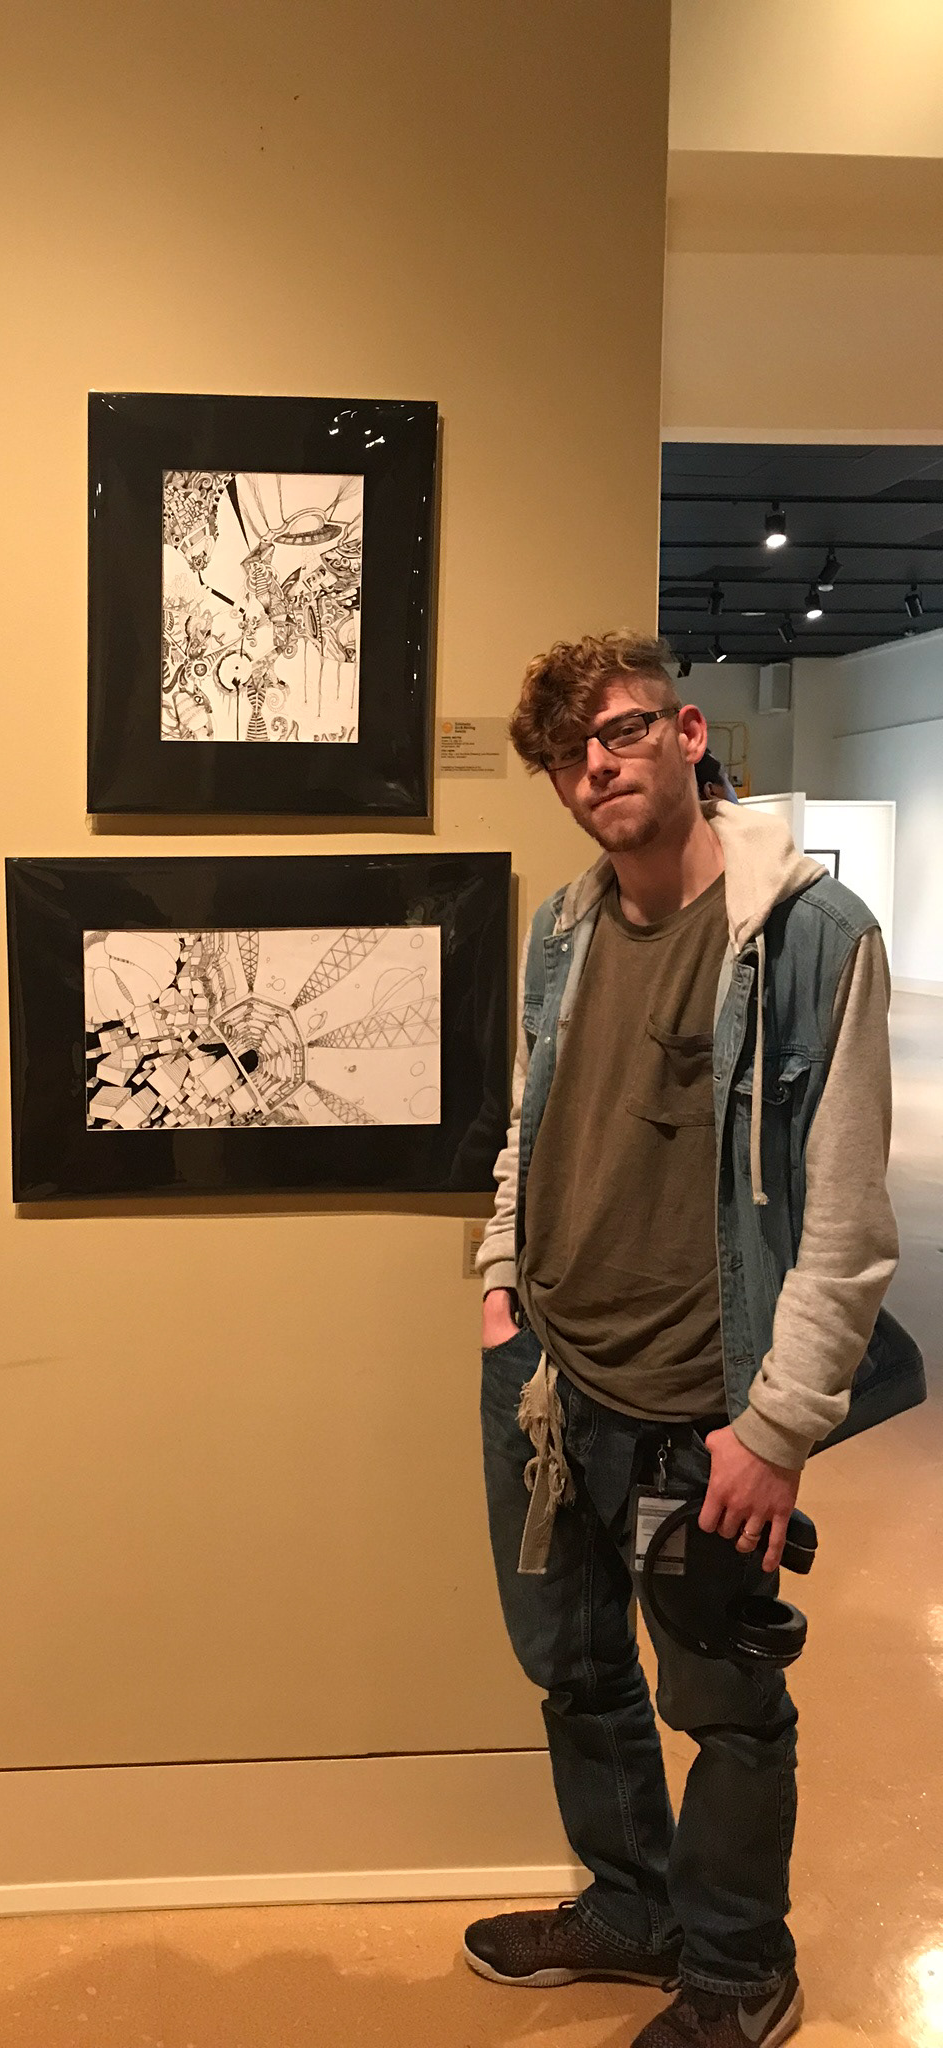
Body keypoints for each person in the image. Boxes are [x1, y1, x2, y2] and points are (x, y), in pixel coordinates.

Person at [466, 632, 914, 2048]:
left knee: (724, 1703)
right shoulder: (563, 928)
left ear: (688, 732)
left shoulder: (810, 939)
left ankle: (736, 1970)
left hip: (702, 1408)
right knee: (574, 1669)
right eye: (568, 755)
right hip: (549, 1385)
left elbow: (846, 1217)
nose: (596, 767)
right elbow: (533, 1119)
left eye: (620, 731)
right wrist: (501, 1282)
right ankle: (630, 1907)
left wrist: (776, 1429)